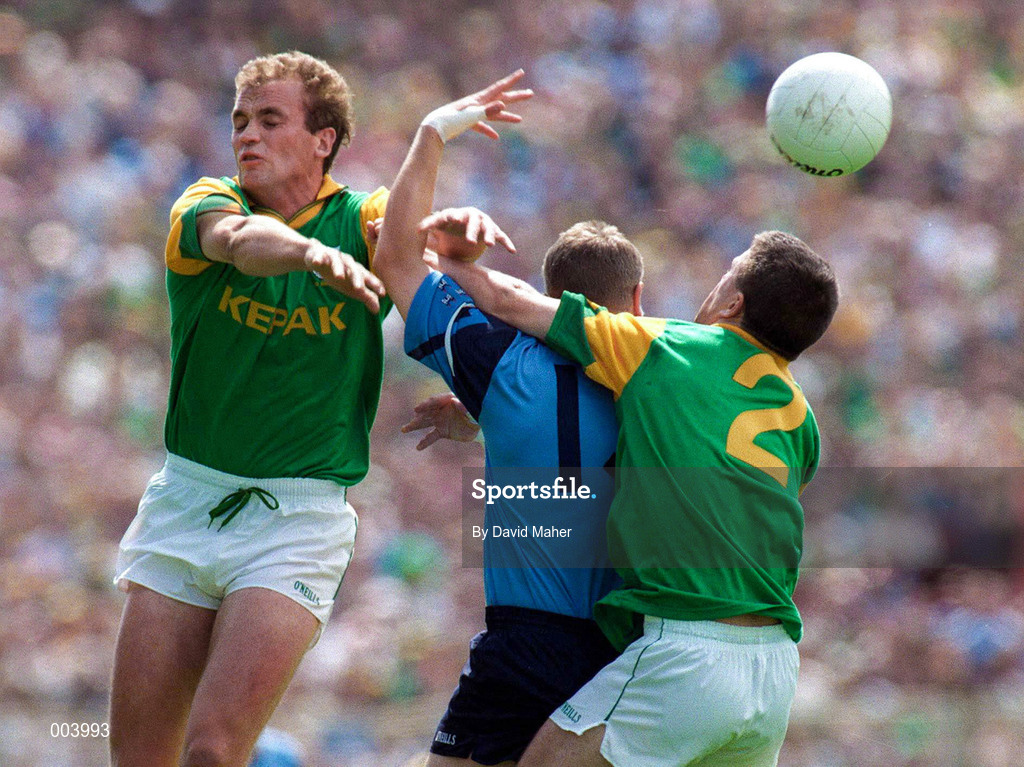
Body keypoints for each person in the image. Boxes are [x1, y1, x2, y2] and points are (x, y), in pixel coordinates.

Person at [108, 52, 525, 767]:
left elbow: (410, 237)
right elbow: (237, 244)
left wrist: (445, 214)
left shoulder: (358, 217)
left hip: (295, 520)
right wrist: (304, 253)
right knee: (139, 756)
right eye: (240, 120)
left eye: (270, 120)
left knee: (211, 750)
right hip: (185, 500)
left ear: (323, 138)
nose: (247, 135)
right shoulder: (208, 201)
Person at [433, 223, 838, 766]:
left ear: (732, 303)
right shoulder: (800, 415)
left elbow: (512, 300)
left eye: (726, 272)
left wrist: (434, 260)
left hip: (690, 653)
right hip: (774, 672)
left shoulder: (670, 345)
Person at [372, 77, 647, 766]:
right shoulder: (667, 370)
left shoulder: (503, 366)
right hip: (630, 651)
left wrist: (432, 132)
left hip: (527, 642)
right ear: (636, 298)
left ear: (546, 295)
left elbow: (396, 260)